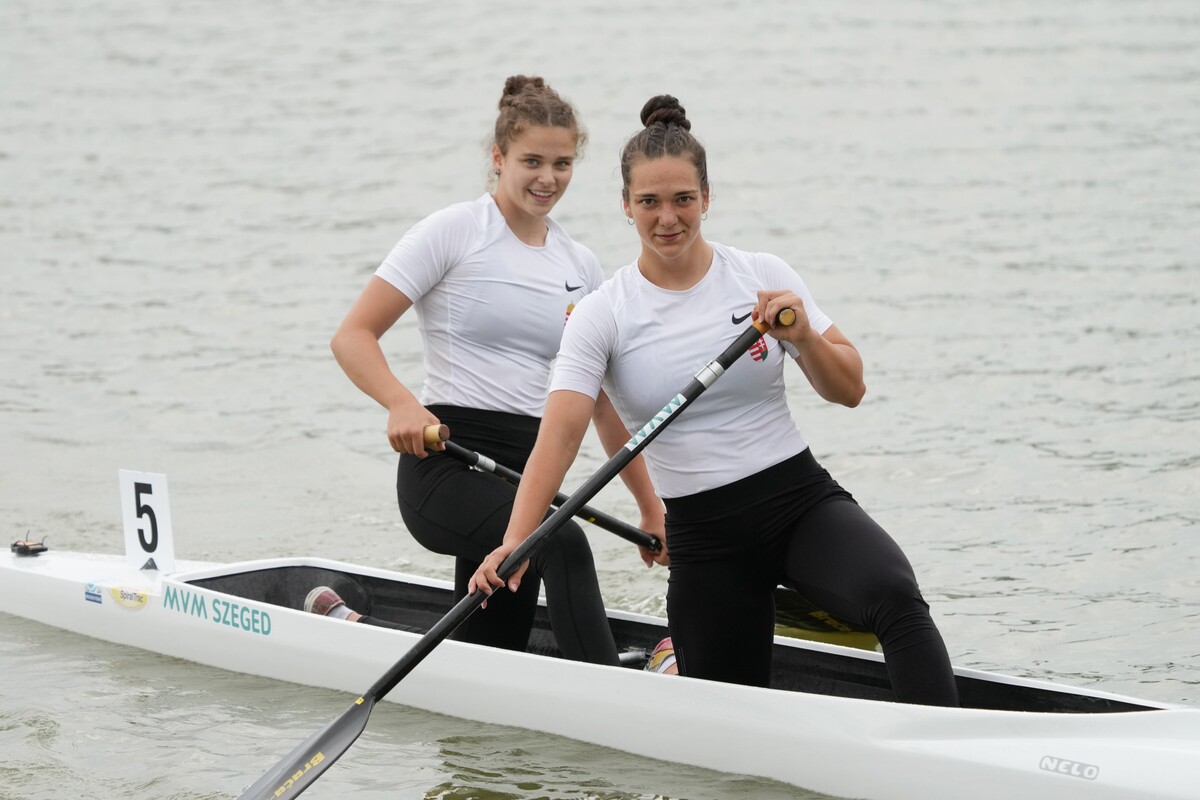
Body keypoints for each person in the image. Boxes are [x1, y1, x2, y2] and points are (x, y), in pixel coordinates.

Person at [469, 94, 959, 705]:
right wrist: (518, 540)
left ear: (707, 197)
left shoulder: (760, 277)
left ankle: (946, 742)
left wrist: (803, 335)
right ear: (626, 205)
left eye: (683, 200)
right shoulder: (603, 315)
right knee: (733, 709)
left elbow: (850, 389)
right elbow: (561, 434)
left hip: (798, 503)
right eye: (649, 202)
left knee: (893, 592)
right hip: (704, 537)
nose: (667, 217)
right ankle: (673, 664)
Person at [320, 76, 663, 665]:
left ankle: (350, 626)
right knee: (563, 544)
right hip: (446, 464)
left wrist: (650, 504)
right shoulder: (453, 232)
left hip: (524, 477)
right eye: (531, 160)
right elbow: (353, 336)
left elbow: (602, 403)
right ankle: (610, 693)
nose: (547, 178)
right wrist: (402, 403)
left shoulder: (580, 264)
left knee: (489, 652)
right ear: (498, 156)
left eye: (561, 163)